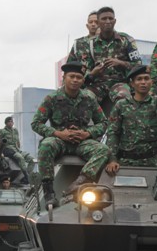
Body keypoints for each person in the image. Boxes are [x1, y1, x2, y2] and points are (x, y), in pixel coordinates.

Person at [31, 61, 110, 208]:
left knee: (103, 150)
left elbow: (104, 123)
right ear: (64, 78)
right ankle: (49, 192)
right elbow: (36, 123)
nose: (75, 80)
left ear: (83, 80)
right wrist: (58, 133)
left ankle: (80, 182)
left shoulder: (89, 98)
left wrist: (87, 133)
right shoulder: (52, 99)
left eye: (79, 77)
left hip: (82, 142)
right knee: (46, 146)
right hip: (59, 141)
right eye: (72, 76)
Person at [105, 65, 157, 175]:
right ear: (132, 83)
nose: (143, 82)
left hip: (152, 163)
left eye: (146, 78)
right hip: (126, 162)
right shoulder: (121, 105)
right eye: (139, 79)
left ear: (151, 82)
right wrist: (112, 159)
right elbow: (113, 133)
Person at [67, 6, 142, 109]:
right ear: (98, 22)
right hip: (97, 84)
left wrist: (121, 63)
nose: (108, 21)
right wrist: (93, 72)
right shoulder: (90, 44)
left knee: (124, 99)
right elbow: (85, 70)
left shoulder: (126, 40)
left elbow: (138, 65)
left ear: (115, 21)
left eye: (110, 18)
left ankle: (124, 124)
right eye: (104, 19)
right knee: (84, 100)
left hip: (119, 83)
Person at [0, 116, 35, 181]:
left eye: (11, 121)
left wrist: (18, 147)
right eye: (9, 122)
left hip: (16, 149)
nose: (10, 123)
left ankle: (26, 175)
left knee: (31, 160)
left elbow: (18, 142)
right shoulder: (2, 131)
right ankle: (27, 177)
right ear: (6, 123)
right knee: (20, 158)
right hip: (7, 150)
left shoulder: (15, 131)